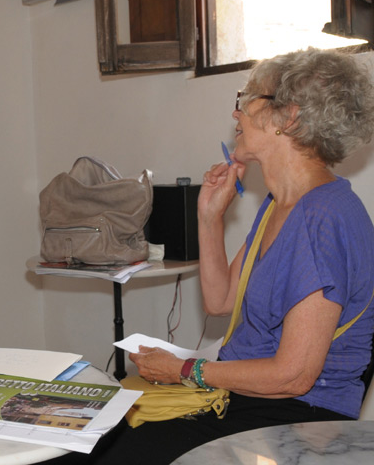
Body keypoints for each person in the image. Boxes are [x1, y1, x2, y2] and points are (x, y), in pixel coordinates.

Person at [78, 48, 374, 464]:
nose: (236, 114)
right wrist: (209, 218)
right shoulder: (280, 203)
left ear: (288, 117)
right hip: (245, 400)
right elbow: (221, 302)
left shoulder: (322, 218)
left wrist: (184, 371)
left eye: (247, 98)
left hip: (297, 418)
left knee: (103, 452)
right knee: (81, 435)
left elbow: (294, 374)